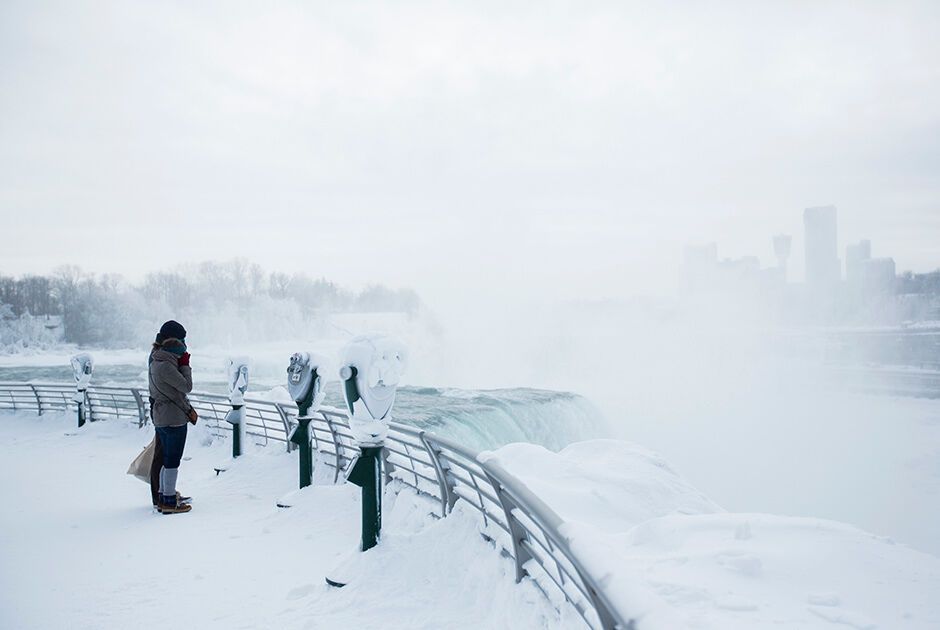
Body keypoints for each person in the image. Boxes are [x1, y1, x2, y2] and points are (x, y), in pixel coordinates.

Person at [148, 320, 196, 515]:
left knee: (164, 456)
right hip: (173, 417)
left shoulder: (155, 359)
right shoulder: (166, 365)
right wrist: (185, 366)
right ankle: (168, 500)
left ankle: (162, 496)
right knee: (171, 459)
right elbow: (186, 386)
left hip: (160, 415)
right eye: (182, 344)